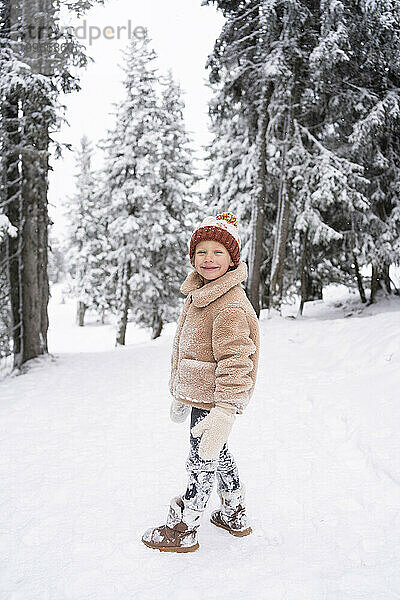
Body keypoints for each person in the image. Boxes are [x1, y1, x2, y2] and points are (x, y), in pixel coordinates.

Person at [141, 212, 260, 553]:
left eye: (218, 252)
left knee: (200, 459)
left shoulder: (230, 305)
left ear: (233, 259)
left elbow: (237, 362)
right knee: (216, 451)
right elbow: (190, 348)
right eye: (202, 252)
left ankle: (186, 525)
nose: (208, 258)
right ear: (193, 257)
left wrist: (224, 412)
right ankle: (234, 511)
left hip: (214, 399)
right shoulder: (202, 295)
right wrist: (182, 390)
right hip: (199, 393)